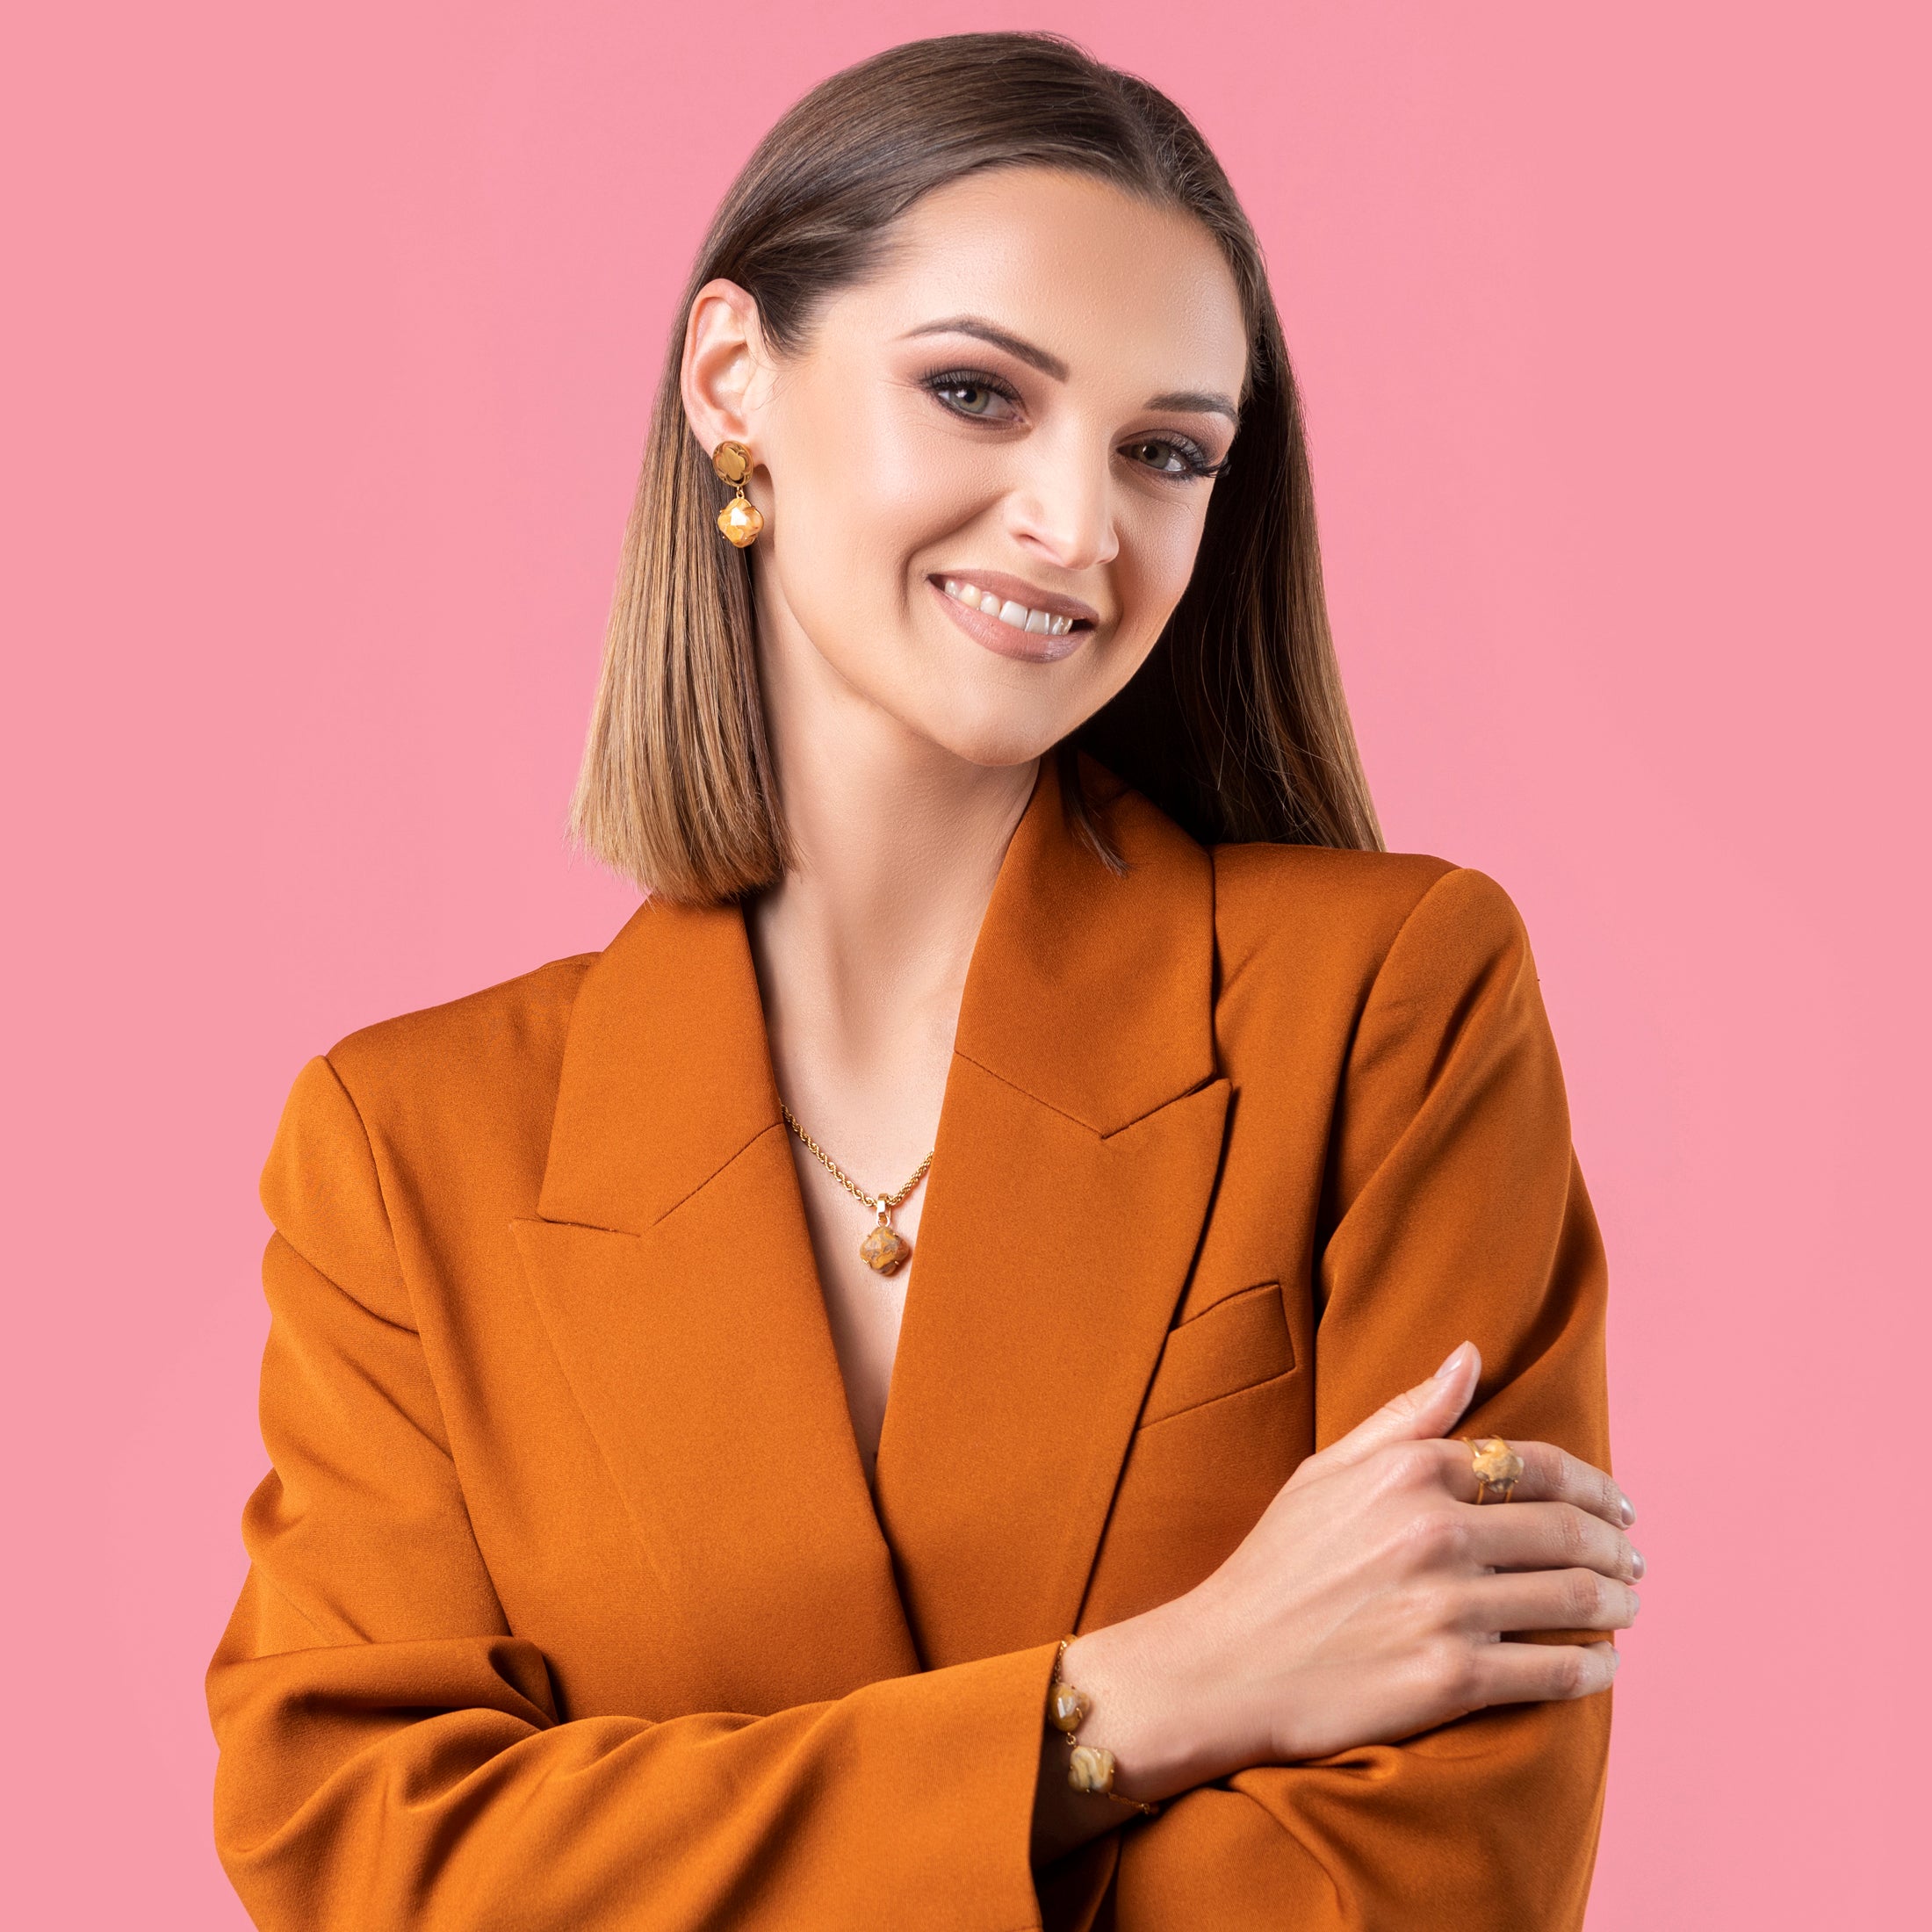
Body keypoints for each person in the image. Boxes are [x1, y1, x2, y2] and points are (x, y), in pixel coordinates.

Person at [208, 31, 1638, 1931]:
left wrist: (648, 1851)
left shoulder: (1388, 1007)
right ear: (734, 380)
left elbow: (1438, 1871)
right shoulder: (407, 1149)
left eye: (1165, 451)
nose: (1078, 525)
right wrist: (1142, 1697)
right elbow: (368, 1859)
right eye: (977, 392)